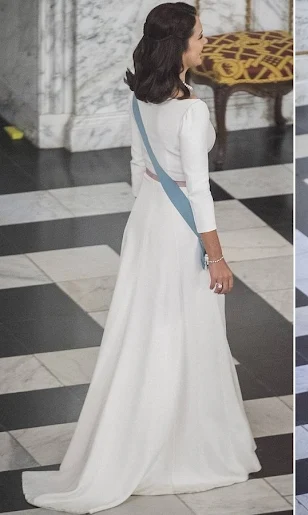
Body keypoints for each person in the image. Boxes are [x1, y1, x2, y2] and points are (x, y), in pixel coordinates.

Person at [23, 4, 261, 512]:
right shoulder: (191, 111)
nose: (205, 42)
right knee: (186, 328)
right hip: (180, 230)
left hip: (148, 220)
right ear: (177, 45)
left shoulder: (142, 96)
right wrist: (216, 257)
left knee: (146, 327)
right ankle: (183, 446)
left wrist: (150, 216)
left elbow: (137, 167)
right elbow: (199, 189)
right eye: (199, 35)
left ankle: (135, 430)